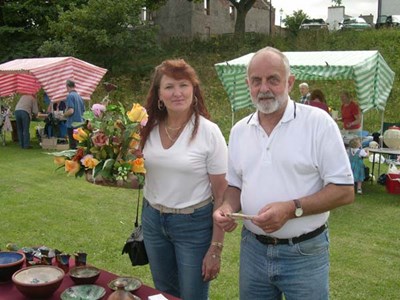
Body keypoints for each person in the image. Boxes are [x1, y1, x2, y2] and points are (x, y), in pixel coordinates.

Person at [213, 47, 355, 300]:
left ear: (289, 82)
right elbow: (235, 186)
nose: (264, 88)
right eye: (256, 81)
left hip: (304, 253)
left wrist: (291, 208)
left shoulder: (318, 123)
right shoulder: (239, 131)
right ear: (248, 84)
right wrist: (226, 207)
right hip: (253, 250)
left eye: (273, 79)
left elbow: (344, 191)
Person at [140, 59, 228, 299]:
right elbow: (140, 176)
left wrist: (216, 247)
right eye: (169, 87)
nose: (177, 93)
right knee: (164, 293)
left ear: (194, 90)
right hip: (153, 222)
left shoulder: (209, 132)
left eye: (183, 85)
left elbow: (222, 192)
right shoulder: (147, 128)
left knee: (192, 295)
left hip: (194, 225)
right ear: (159, 94)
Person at [63, 79, 85, 149]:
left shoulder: (70, 96)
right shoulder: (79, 97)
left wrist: (63, 114)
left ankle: (73, 159)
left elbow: (71, 111)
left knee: (73, 146)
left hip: (72, 124)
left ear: (67, 86)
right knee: (78, 145)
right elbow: (83, 111)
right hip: (80, 123)